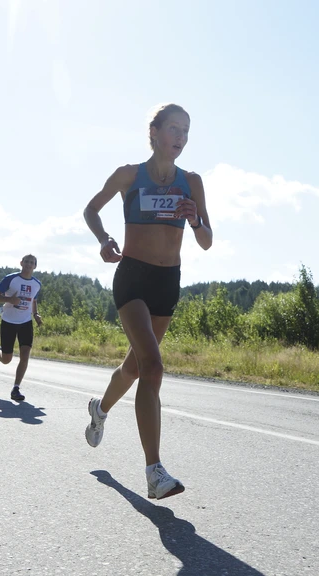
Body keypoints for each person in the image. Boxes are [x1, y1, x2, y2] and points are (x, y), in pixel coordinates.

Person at [81, 103, 213, 500]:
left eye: (186, 131)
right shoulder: (128, 175)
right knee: (153, 366)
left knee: (135, 367)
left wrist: (195, 221)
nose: (181, 137)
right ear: (154, 132)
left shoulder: (192, 182)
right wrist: (104, 240)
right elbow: (91, 209)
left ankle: (99, 409)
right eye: (174, 128)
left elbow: (206, 241)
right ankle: (154, 471)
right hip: (133, 278)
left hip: (167, 282)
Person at [0, 254, 43, 402]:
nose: (29, 264)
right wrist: (9, 299)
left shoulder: (37, 284)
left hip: (25, 322)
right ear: (21, 263)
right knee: (6, 359)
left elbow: (34, 300)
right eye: (26, 261)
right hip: (8, 321)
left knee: (25, 354)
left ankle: (16, 388)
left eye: (32, 262)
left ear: (35, 266)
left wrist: (36, 314)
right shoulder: (11, 279)